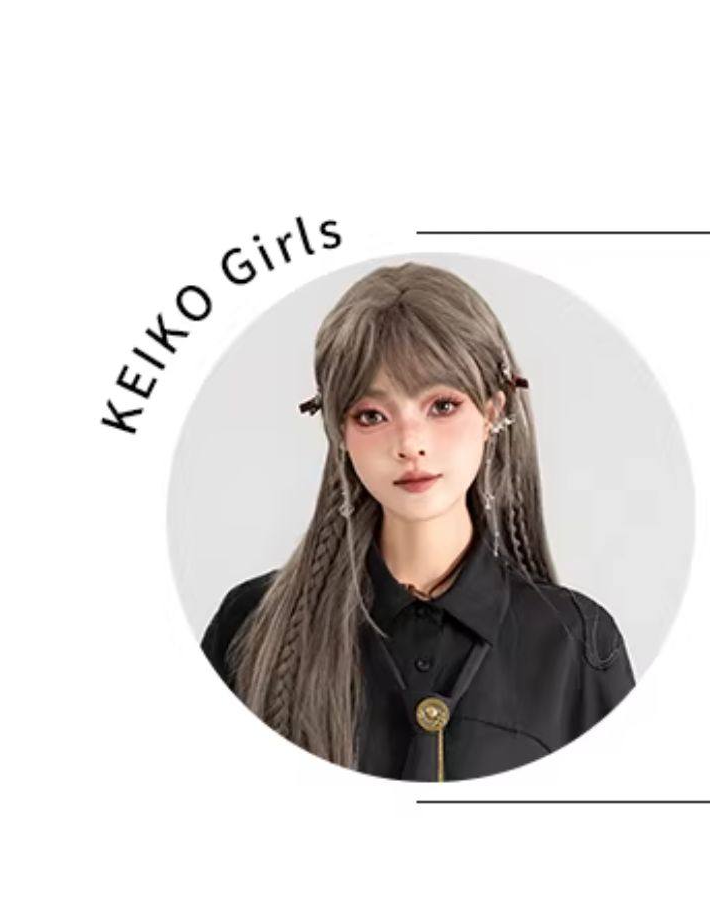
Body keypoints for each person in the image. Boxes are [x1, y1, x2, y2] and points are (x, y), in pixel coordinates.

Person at [199, 259, 633, 781]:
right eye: (372, 415)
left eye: (442, 406)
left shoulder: (575, 644)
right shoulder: (249, 625)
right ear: (339, 432)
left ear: (492, 412)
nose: (410, 444)